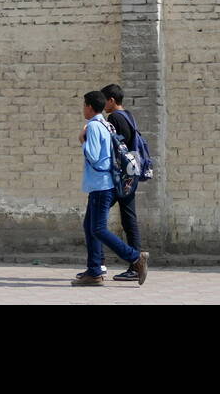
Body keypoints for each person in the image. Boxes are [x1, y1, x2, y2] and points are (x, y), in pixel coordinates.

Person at [74, 91, 149, 286]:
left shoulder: (93, 126)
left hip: (101, 185)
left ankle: (135, 257)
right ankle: (94, 270)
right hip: (105, 183)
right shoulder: (106, 124)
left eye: (84, 105)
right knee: (89, 226)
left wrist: (82, 140)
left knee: (98, 228)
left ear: (90, 107)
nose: (83, 109)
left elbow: (93, 155)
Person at [102, 83, 142, 282]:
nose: (103, 106)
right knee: (129, 220)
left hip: (118, 177)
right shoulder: (129, 115)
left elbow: (115, 146)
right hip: (130, 174)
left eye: (104, 101)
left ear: (111, 100)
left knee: (94, 221)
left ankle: (98, 266)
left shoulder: (114, 118)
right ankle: (136, 265)